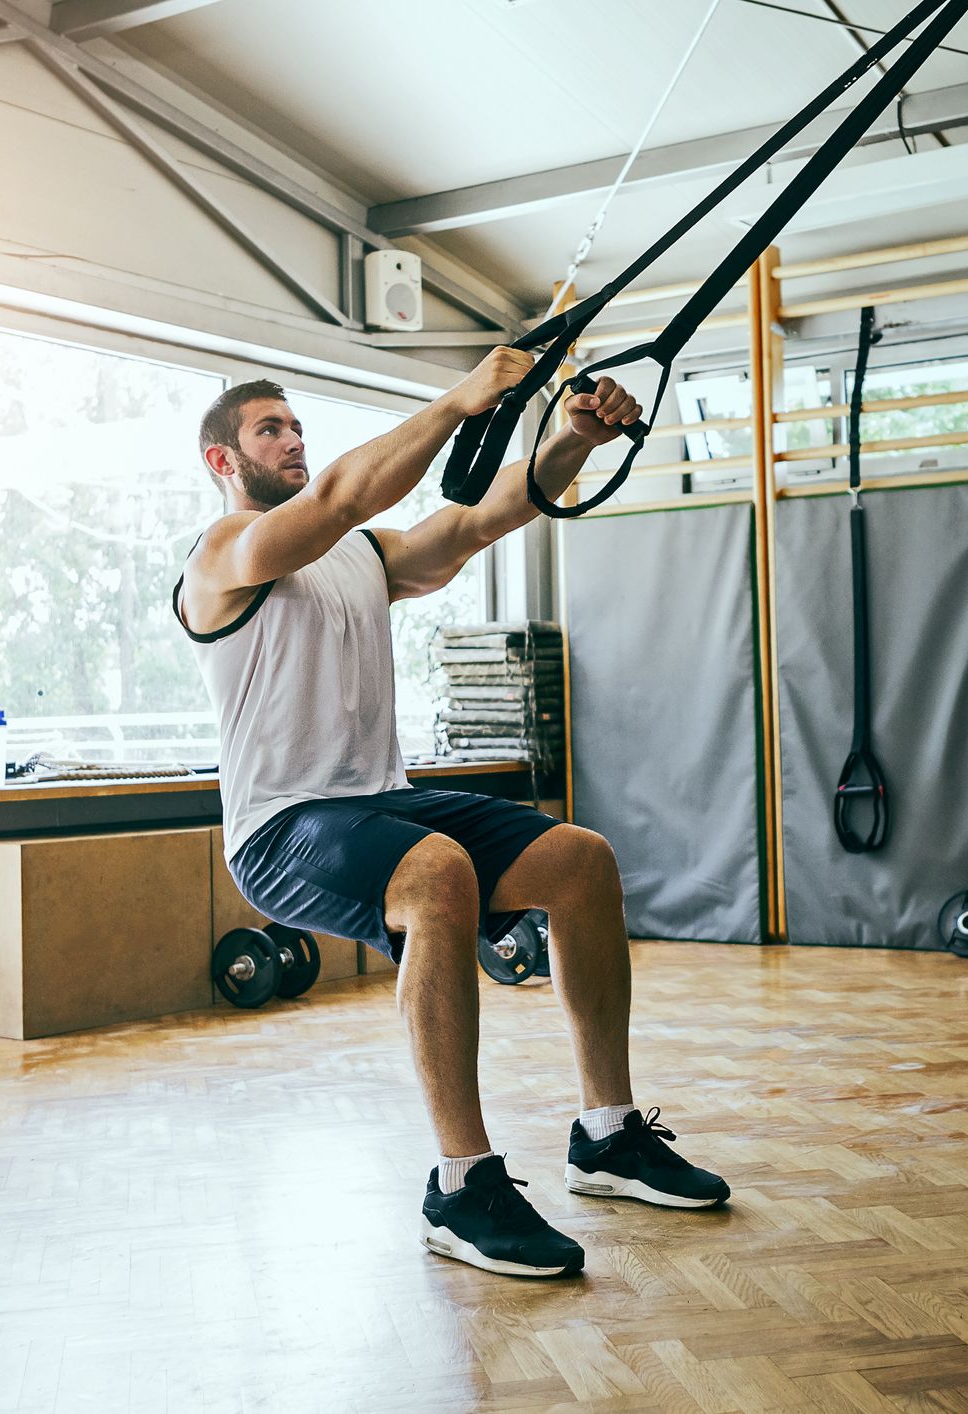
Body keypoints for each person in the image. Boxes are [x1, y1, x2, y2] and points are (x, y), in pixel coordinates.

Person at [174, 349, 729, 1279]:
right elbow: (345, 498)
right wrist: (461, 398)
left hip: (376, 802)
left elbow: (475, 521)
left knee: (579, 861)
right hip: (281, 828)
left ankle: (606, 1136)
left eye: (297, 425)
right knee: (438, 872)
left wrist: (569, 441)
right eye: (269, 428)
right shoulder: (224, 557)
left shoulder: (357, 556)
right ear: (222, 461)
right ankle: (462, 1187)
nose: (293, 439)